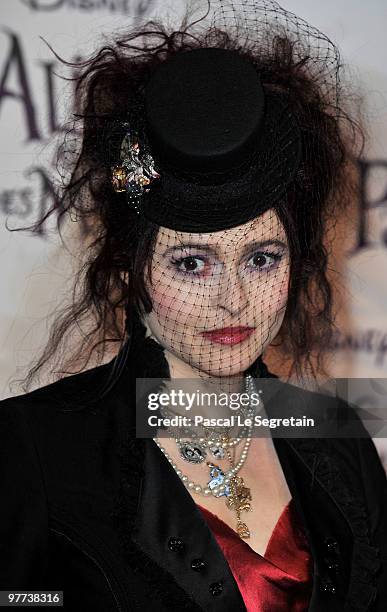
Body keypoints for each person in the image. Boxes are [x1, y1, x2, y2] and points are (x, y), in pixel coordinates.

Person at [0, 1, 386, 610]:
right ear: (132, 271)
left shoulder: (339, 442)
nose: (232, 300)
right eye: (191, 263)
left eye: (261, 258)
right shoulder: (37, 447)